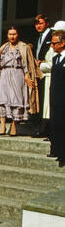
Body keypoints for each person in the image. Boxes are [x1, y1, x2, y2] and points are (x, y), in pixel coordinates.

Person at [0, 26, 41, 136]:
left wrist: (27, 75)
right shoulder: (4, 47)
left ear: (18, 35)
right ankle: (2, 126)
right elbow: (0, 64)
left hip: (18, 75)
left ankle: (13, 125)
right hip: (5, 75)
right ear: (7, 35)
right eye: (10, 34)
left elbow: (28, 62)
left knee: (16, 100)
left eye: (14, 34)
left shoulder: (23, 47)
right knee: (2, 99)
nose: (12, 36)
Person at [39, 21, 65, 142]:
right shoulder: (53, 49)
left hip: (55, 80)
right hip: (50, 80)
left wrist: (40, 65)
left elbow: (51, 64)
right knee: (50, 110)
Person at [31, 14, 52, 138]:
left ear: (47, 23)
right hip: (38, 73)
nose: (38, 26)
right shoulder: (37, 38)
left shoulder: (51, 36)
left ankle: (46, 129)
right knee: (40, 100)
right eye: (36, 24)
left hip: (48, 71)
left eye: (41, 23)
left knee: (47, 102)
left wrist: (43, 61)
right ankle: (40, 127)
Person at [48, 30, 65, 167]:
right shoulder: (55, 58)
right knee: (55, 124)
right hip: (54, 97)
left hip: (63, 98)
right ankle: (55, 149)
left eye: (54, 43)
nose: (52, 46)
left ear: (63, 43)